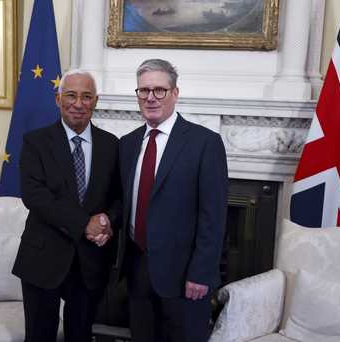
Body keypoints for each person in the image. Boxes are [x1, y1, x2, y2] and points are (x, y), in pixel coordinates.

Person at [117, 59, 228, 342]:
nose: (150, 97)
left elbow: (213, 217)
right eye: (144, 90)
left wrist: (201, 273)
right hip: (138, 271)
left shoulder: (205, 143)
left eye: (159, 90)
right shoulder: (127, 144)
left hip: (185, 277)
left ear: (175, 93)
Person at [12, 69, 121, 342]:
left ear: (95, 101)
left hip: (90, 261)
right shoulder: (35, 142)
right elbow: (35, 196)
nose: (78, 103)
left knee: (81, 336)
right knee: (39, 336)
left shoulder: (112, 145)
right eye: (71, 95)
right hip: (44, 258)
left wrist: (107, 222)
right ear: (58, 99)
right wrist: (85, 224)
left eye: (86, 97)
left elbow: (119, 197)